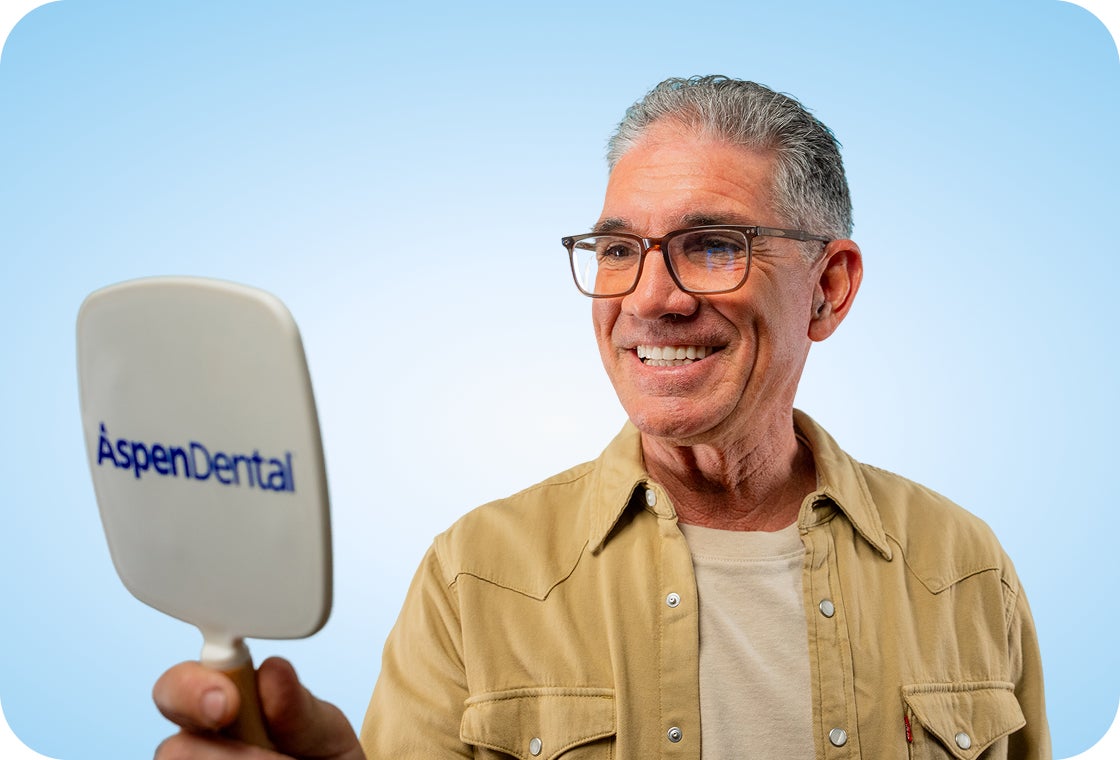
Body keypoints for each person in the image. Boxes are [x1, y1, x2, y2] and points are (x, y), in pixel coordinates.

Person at [153, 75, 1050, 759]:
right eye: (619, 249)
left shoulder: (966, 570)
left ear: (829, 287)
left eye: (711, 245)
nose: (650, 298)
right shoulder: (476, 577)